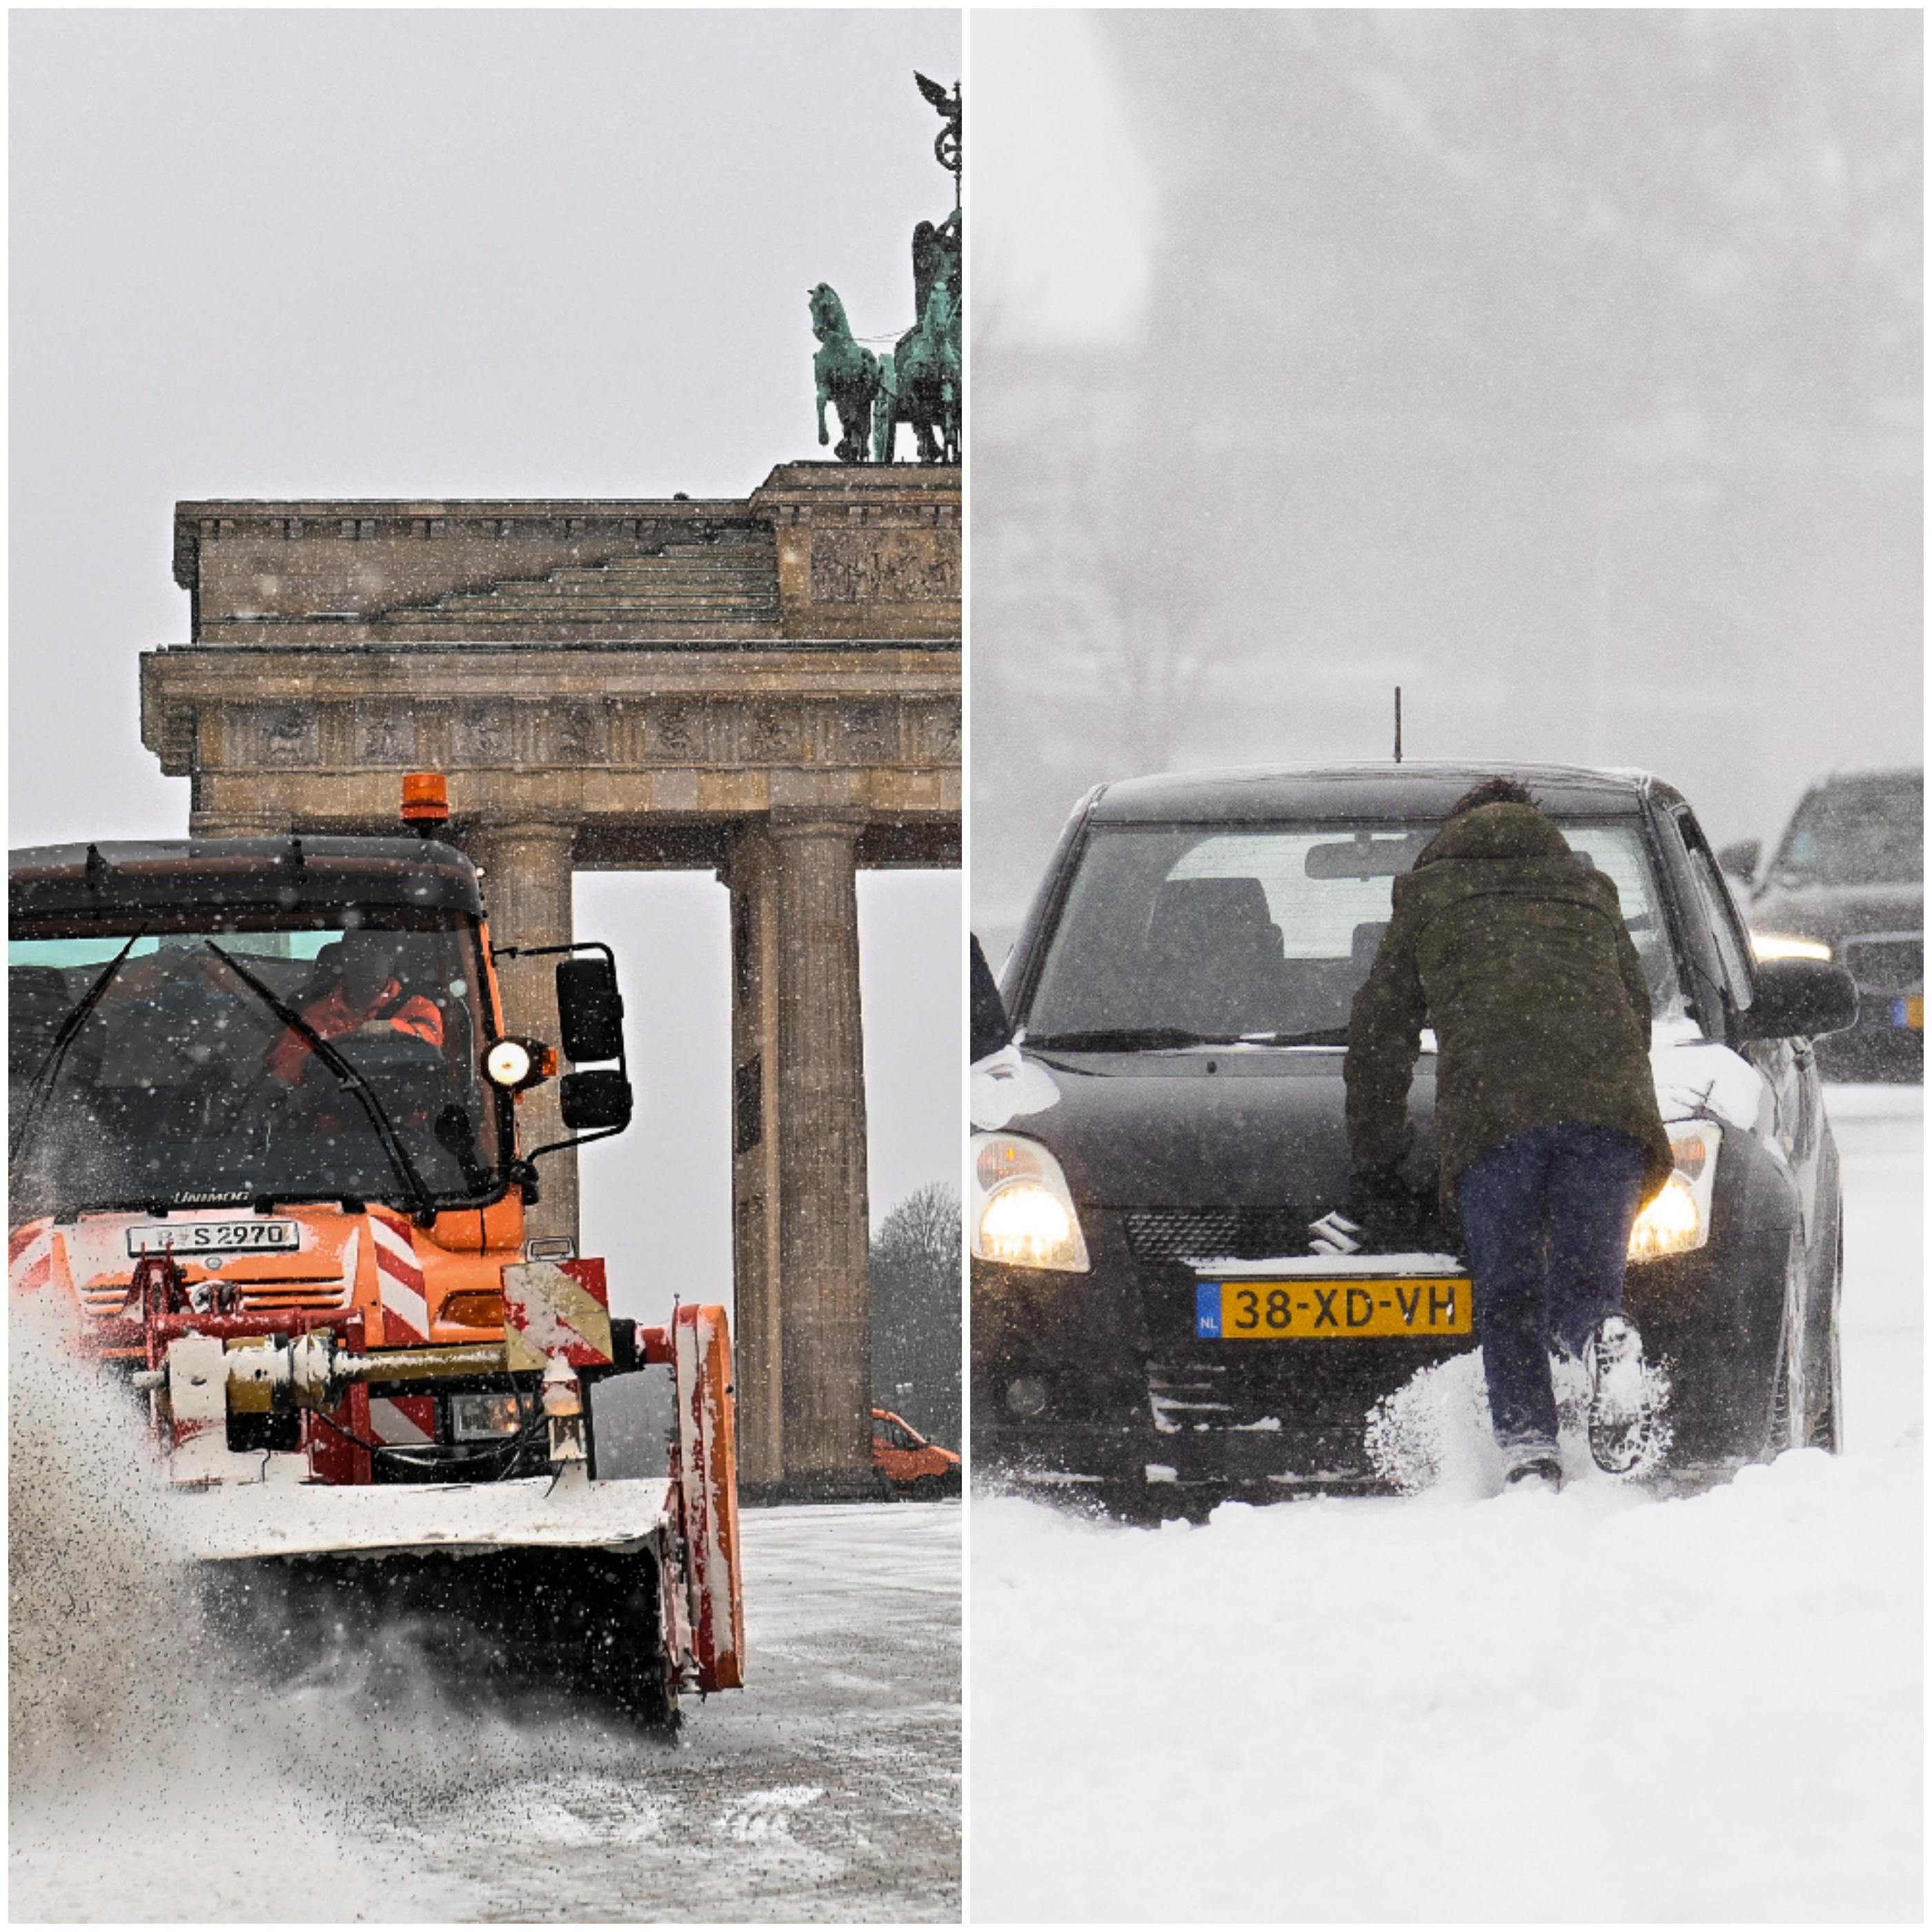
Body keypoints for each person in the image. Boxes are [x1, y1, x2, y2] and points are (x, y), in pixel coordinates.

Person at [1341, 776, 1673, 1491]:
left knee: (1509, 1291)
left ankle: (1528, 1453)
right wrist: (1598, 1089)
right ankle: (1601, 1337)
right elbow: (1634, 1011)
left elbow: (1381, 1032)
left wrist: (1377, 1149)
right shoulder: (1589, 889)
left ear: (1457, 828)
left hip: (1497, 1120)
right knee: (1586, 1284)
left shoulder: (1429, 893)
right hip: (1608, 1117)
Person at [268, 929, 444, 1085]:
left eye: (375, 953)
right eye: (356, 953)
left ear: (391, 961)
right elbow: (283, 1073)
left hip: (403, 1119)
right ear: (344, 960)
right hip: (330, 1117)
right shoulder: (313, 1016)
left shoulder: (417, 1008)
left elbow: (430, 1040)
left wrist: (393, 1029)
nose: (364, 964)